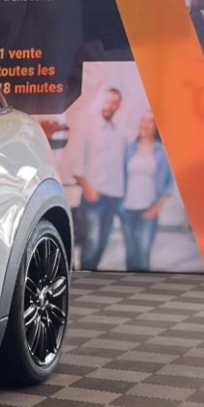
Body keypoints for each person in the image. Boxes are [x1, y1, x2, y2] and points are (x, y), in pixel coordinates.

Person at [71, 87, 129, 271]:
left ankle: (93, 276)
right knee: (92, 242)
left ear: (118, 105)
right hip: (94, 198)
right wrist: (88, 190)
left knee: (102, 243)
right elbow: (76, 165)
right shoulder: (89, 129)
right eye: (107, 101)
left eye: (113, 103)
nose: (109, 106)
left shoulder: (118, 132)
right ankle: (85, 279)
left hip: (113, 197)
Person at [119, 113, 175, 272]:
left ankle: (142, 285)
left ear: (156, 127)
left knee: (143, 253)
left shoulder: (161, 151)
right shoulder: (129, 149)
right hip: (127, 210)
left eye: (150, 122)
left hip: (148, 210)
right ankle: (128, 285)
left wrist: (157, 207)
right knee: (130, 253)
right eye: (143, 120)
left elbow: (169, 182)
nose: (146, 124)